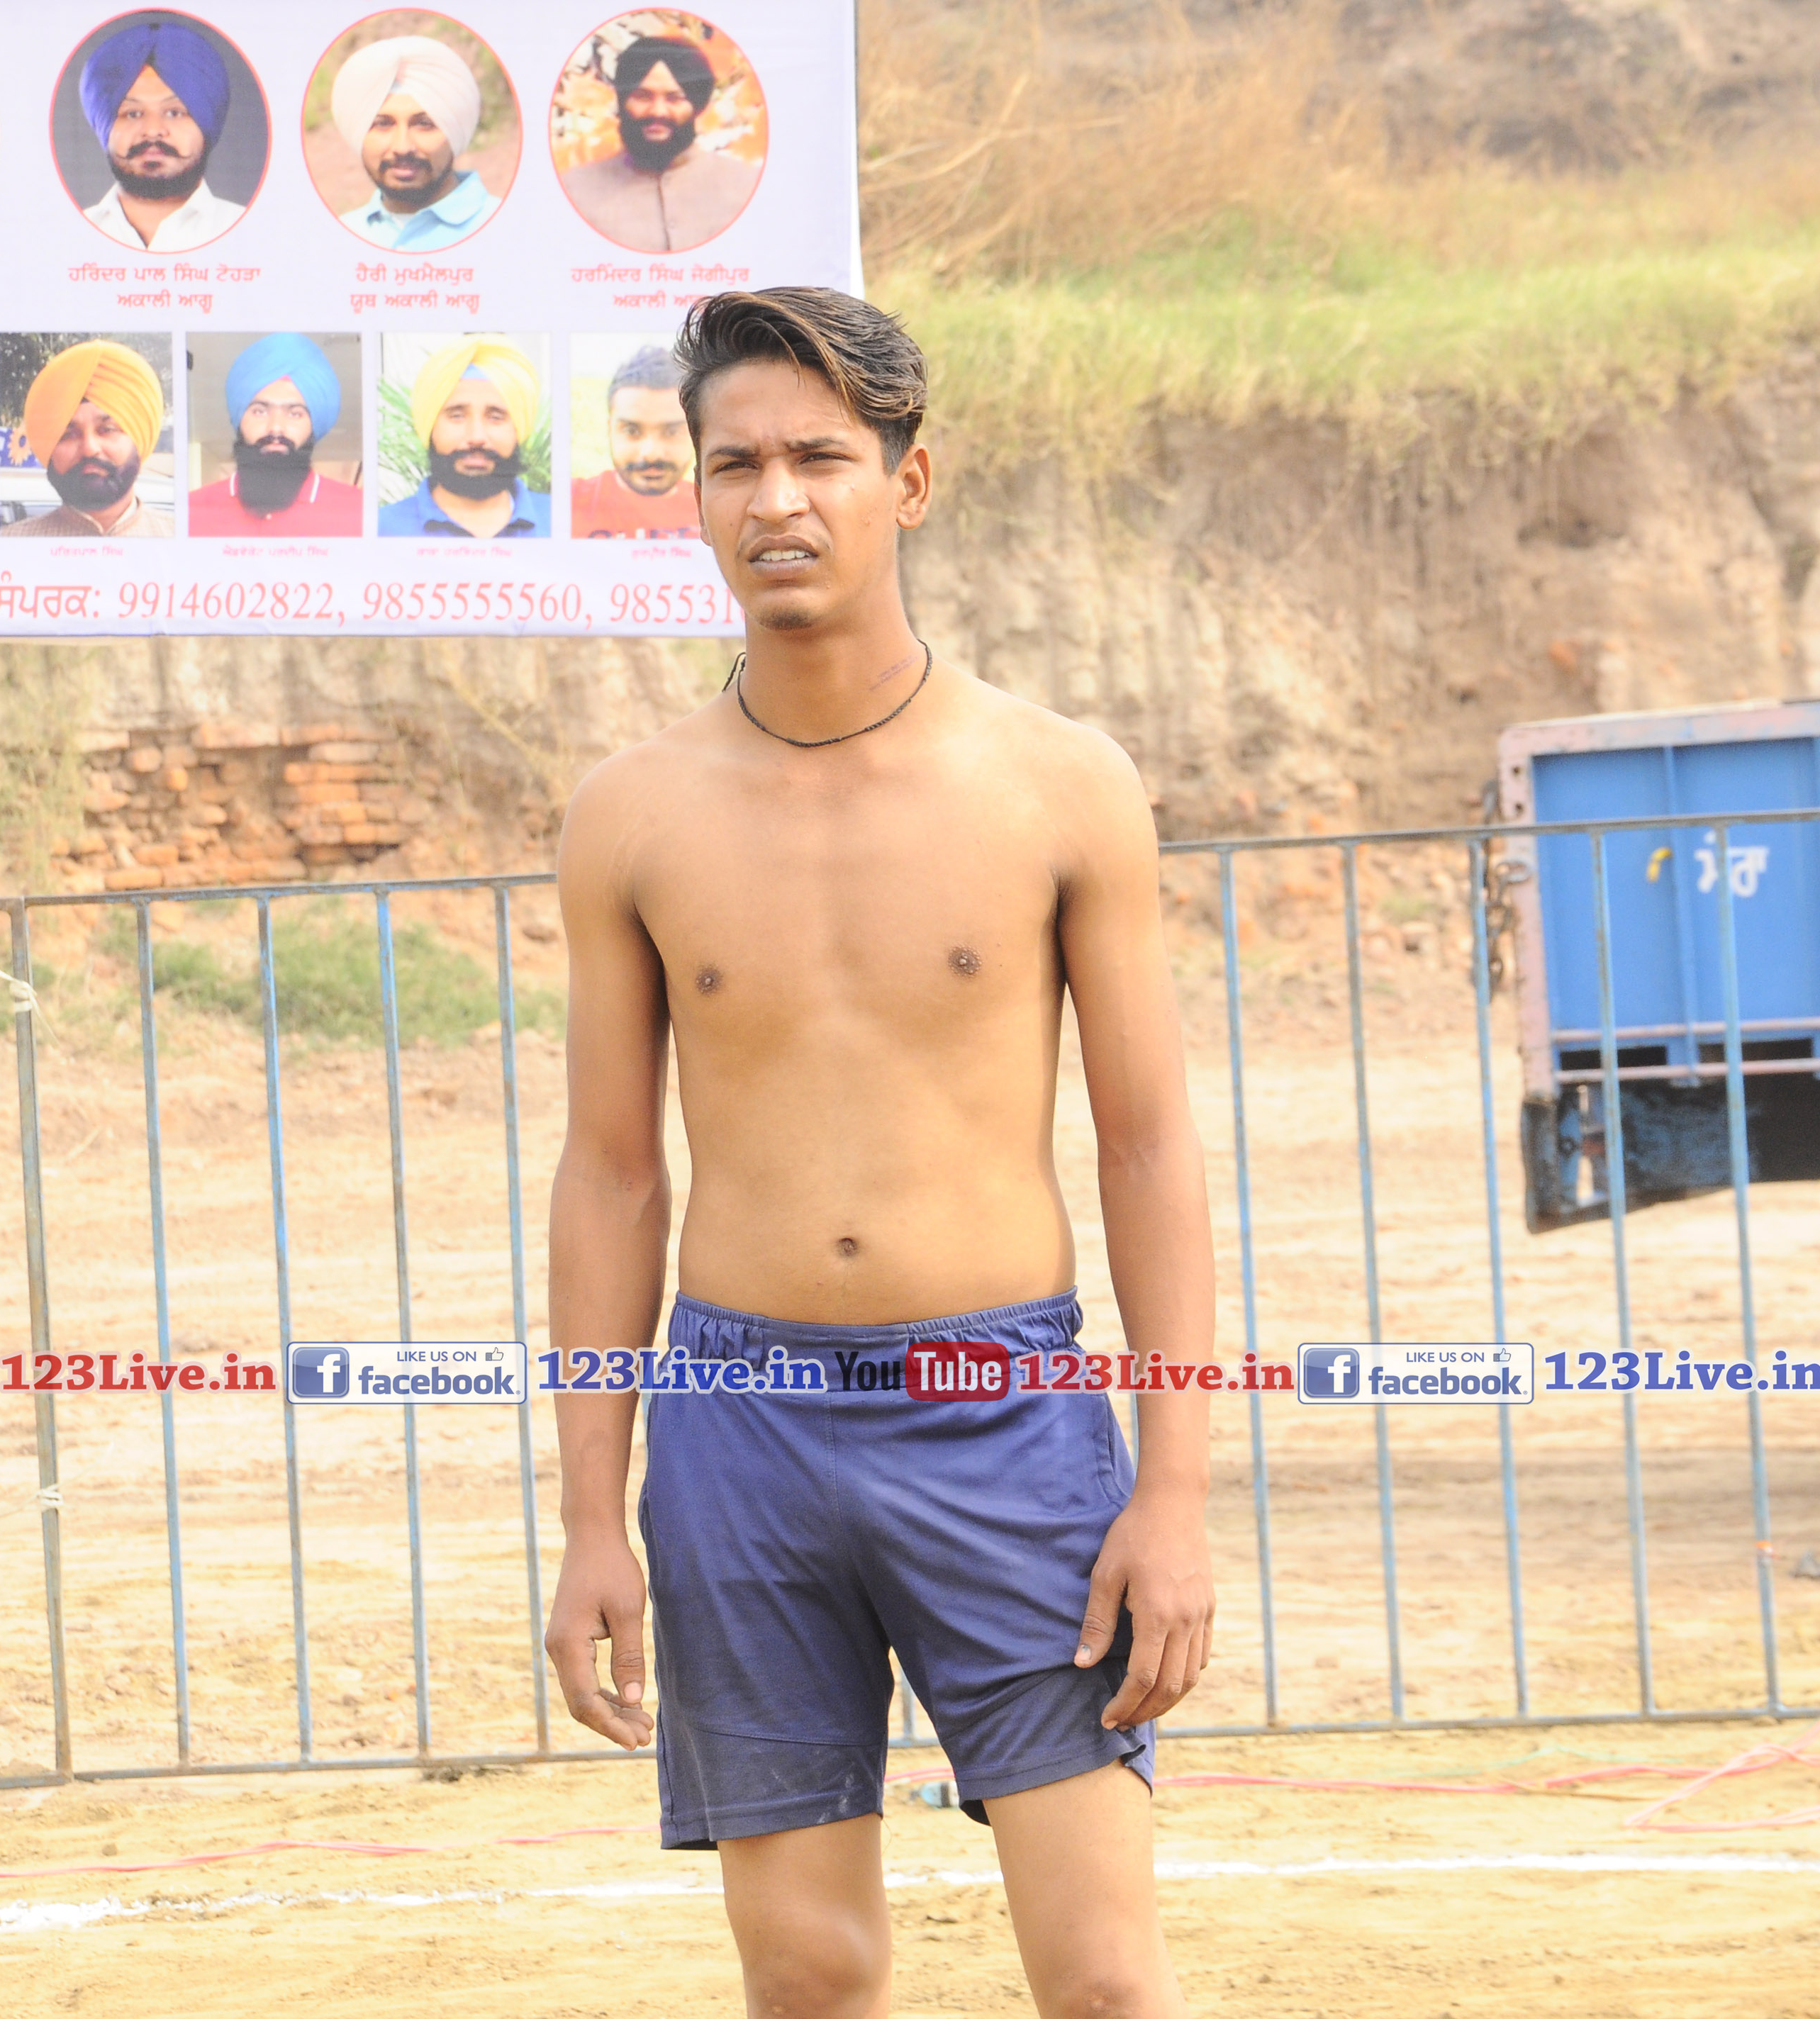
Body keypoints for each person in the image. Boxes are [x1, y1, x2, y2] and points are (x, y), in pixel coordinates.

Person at [542, 289, 1213, 2017]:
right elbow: (611, 1174)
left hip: (1002, 1412)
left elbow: (1145, 1145)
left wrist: (1172, 1489)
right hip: (737, 1424)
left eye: (820, 458)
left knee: (1103, 1976)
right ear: (692, 494)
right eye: (735, 464)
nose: (776, 499)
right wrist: (590, 1517)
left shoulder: (1058, 782)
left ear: (905, 483)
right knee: (808, 1972)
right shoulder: (629, 814)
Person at [557, 35, 758, 255]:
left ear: (697, 106)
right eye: (643, 96)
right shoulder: (574, 191)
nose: (658, 111)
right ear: (622, 102)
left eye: (674, 98)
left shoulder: (747, 187)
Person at [75, 17, 247, 252]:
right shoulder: (67, 236)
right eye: (133, 114)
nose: (153, 130)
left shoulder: (252, 233)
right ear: (105, 127)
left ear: (207, 123)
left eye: (175, 113)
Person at [328, 35, 496, 252]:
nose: (403, 147)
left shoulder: (508, 228)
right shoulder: (337, 237)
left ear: (455, 131)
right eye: (382, 124)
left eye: (424, 124)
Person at [186, 334, 362, 537]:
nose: (276, 428)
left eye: (295, 414)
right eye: (260, 412)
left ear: (313, 425)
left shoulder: (359, 512)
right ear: (239, 419)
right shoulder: (190, 512)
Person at [379, 337, 547, 539]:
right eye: (457, 416)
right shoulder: (381, 530)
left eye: (495, 417)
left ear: (518, 430)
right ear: (430, 427)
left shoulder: (563, 523)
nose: (477, 437)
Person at [4, 340, 170, 537]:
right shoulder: (11, 543)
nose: (89, 448)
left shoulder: (181, 537)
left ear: (139, 440)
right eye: (68, 435)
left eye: (107, 430)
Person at [569, 345, 698, 538]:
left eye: (672, 432)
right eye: (632, 431)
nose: (651, 453)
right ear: (610, 430)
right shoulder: (567, 503)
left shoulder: (715, 509)